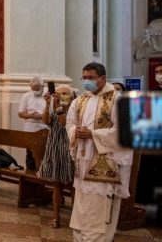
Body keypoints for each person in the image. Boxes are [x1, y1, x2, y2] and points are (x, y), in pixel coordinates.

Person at [67, 62, 133, 241]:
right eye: (85, 78)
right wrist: (75, 132)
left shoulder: (117, 99)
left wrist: (93, 134)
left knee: (98, 210)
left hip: (105, 165)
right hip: (82, 163)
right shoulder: (80, 100)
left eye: (91, 78)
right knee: (82, 208)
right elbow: (70, 123)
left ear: (103, 78)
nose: (87, 81)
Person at [37, 84, 75, 227]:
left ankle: (75, 218)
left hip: (68, 149)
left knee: (72, 186)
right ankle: (56, 217)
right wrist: (47, 105)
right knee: (56, 185)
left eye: (64, 93)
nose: (60, 95)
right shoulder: (54, 106)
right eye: (58, 93)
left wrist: (57, 107)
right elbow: (46, 121)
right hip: (54, 148)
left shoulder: (74, 109)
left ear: (71, 95)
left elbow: (63, 122)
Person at [18, 76, 48, 170]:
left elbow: (52, 113)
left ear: (43, 87)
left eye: (37, 89)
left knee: (43, 154)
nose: (35, 91)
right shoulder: (26, 96)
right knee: (30, 155)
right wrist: (31, 115)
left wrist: (41, 116)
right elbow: (20, 113)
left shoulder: (48, 96)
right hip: (30, 129)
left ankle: (43, 177)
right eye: (33, 89)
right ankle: (30, 176)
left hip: (44, 128)